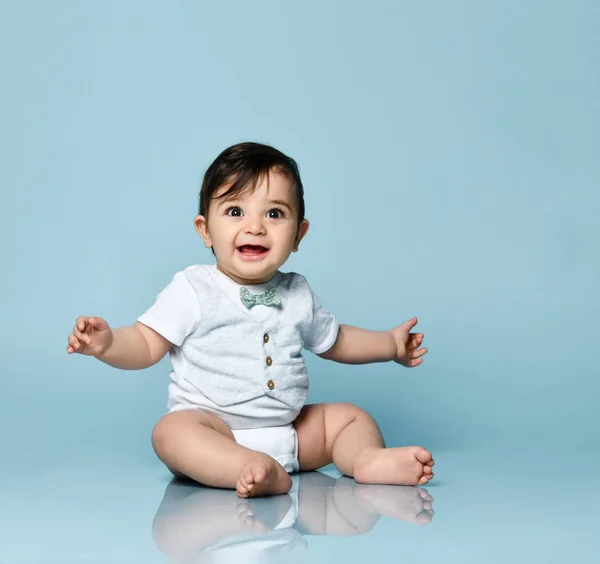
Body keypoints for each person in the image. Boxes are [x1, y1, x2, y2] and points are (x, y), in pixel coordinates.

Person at [66, 142, 434, 498]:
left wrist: (390, 344)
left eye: (274, 214)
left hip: (290, 433)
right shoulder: (193, 288)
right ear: (205, 229)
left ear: (298, 234)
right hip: (214, 433)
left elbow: (336, 341)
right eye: (235, 211)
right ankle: (247, 467)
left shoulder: (297, 293)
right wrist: (108, 343)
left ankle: (366, 461)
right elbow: (146, 344)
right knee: (170, 433)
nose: (255, 226)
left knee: (353, 418)